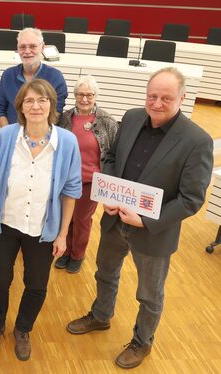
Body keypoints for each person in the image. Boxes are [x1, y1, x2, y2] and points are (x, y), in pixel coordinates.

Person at [66, 67, 213, 369]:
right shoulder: (131, 118)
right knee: (105, 273)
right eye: (152, 96)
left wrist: (146, 219)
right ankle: (101, 315)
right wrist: (107, 192)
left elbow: (191, 199)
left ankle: (142, 341)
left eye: (166, 98)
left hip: (152, 232)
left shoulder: (197, 141)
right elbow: (110, 159)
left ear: (182, 98)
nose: (157, 103)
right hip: (114, 220)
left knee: (149, 295)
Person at [0, 79, 81, 361]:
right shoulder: (8, 135)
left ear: (51, 105)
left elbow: (71, 191)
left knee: (36, 284)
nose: (36, 106)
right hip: (3, 224)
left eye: (42, 100)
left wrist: (62, 234)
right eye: (29, 101)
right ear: (20, 106)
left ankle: (23, 329)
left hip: (42, 230)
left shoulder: (67, 142)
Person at [55, 75, 119, 273]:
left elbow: (114, 153)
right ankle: (64, 251)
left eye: (89, 95)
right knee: (66, 217)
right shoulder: (65, 118)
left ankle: (77, 255)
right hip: (66, 179)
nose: (84, 99)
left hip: (91, 181)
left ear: (96, 96)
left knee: (82, 219)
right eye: (80, 94)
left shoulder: (107, 121)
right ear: (74, 95)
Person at [0, 27, 67, 127]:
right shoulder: (8, 75)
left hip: (43, 137)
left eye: (33, 46)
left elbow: (56, 114)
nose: (27, 51)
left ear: (42, 47)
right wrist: (8, 133)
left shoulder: (56, 78)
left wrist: (35, 136)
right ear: (17, 48)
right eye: (22, 47)